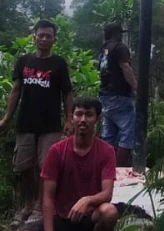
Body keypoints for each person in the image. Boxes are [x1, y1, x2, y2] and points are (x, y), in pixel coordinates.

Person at [0, 19, 75, 228]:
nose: (44, 39)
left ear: (54, 40)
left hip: (50, 125)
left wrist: (69, 119)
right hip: (25, 123)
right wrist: (6, 118)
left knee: (46, 167)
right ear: (34, 37)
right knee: (23, 166)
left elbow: (67, 92)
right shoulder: (24, 61)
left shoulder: (59, 63)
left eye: (49, 36)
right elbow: (15, 91)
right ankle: (27, 205)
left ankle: (40, 208)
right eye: (41, 35)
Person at [22, 97, 119, 231]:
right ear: (71, 117)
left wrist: (87, 200)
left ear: (97, 119)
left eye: (89, 115)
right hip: (61, 217)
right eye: (79, 114)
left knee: (109, 212)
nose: (83, 120)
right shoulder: (57, 151)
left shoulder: (107, 151)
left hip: (90, 216)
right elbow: (48, 197)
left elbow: (107, 193)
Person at [98, 22, 137, 167]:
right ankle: (119, 169)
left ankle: (106, 167)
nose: (121, 35)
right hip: (120, 95)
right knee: (127, 134)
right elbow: (125, 68)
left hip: (105, 95)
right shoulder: (120, 47)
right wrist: (136, 86)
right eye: (120, 33)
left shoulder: (104, 49)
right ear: (116, 34)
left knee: (109, 134)